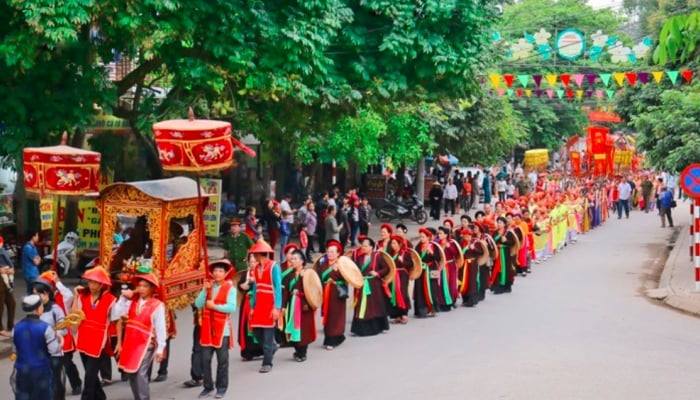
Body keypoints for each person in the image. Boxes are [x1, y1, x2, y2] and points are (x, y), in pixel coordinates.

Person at [113, 267, 167, 400]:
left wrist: (161, 348)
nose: (142, 288)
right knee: (131, 372)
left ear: (152, 289)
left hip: (146, 343)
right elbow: (117, 313)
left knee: (140, 373)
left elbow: (160, 328)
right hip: (131, 341)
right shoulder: (132, 302)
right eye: (140, 285)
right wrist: (123, 298)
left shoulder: (157, 305)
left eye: (145, 286)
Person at [71, 266, 117, 400]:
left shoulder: (110, 299)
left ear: (101, 284)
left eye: (95, 282)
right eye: (90, 281)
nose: (91, 285)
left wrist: (119, 341)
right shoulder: (82, 296)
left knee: (89, 375)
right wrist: (75, 296)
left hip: (98, 341)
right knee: (90, 373)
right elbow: (74, 314)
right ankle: (101, 397)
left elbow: (117, 320)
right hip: (83, 337)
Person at [195, 260, 237, 399]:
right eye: (215, 271)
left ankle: (221, 387)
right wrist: (204, 290)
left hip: (222, 329)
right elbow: (198, 304)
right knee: (205, 360)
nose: (217, 273)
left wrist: (215, 307)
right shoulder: (209, 286)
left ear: (225, 274)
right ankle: (208, 386)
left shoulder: (231, 288)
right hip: (207, 327)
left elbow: (231, 307)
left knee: (222, 361)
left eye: (220, 271)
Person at [12, 294, 63, 400]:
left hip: (21, 372)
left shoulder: (16, 328)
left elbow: (15, 349)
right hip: (41, 372)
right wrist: (60, 341)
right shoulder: (45, 328)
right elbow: (54, 350)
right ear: (38, 308)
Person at [39, 270, 82, 395]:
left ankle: (76, 383)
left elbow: (69, 296)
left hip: (63, 333)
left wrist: (57, 282)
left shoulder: (62, 295)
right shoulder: (40, 299)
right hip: (47, 335)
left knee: (66, 362)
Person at [246, 240, 282, 373]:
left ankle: (267, 362)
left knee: (267, 335)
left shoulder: (274, 267)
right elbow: (255, 288)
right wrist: (252, 306)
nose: (253, 257)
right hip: (259, 305)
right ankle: (272, 347)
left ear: (260, 255)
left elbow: (278, 288)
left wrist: (276, 307)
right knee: (257, 333)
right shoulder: (256, 268)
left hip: (269, 305)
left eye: (254, 255)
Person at [33, 277, 68, 400]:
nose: (36, 296)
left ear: (46, 293)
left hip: (54, 352)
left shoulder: (56, 310)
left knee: (55, 381)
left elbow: (64, 329)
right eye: (34, 294)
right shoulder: (35, 310)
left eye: (38, 293)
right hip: (39, 352)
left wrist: (54, 333)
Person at [281, 249, 318, 362]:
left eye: (295, 259)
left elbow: (313, 290)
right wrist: (283, 306)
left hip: (304, 305)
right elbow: (285, 291)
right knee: (293, 328)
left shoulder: (308, 273)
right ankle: (297, 350)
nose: (293, 261)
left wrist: (307, 303)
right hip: (292, 304)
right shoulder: (288, 274)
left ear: (302, 261)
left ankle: (302, 353)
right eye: (292, 259)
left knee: (304, 329)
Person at [350, 236, 390, 337]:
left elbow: (386, 268)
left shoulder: (377, 256)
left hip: (374, 285)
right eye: (362, 246)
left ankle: (377, 327)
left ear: (371, 247)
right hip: (362, 284)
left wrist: (377, 273)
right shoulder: (359, 258)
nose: (363, 248)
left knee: (374, 305)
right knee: (361, 306)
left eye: (366, 246)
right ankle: (360, 329)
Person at [316, 240, 348, 350]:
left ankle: (334, 339)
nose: (330, 254)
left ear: (338, 253)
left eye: (333, 252)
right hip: (326, 292)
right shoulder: (323, 264)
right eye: (328, 251)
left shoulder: (342, 264)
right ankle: (329, 337)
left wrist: (339, 272)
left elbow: (349, 278)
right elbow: (318, 277)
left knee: (336, 316)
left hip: (337, 293)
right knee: (327, 315)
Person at [413, 228, 440, 318]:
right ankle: (421, 310)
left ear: (428, 237)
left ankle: (433, 309)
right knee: (420, 289)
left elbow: (438, 258)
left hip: (432, 268)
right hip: (421, 269)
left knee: (433, 288)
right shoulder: (418, 246)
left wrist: (432, 253)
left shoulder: (434, 246)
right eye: (420, 237)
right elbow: (415, 258)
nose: (421, 238)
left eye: (423, 237)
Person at [386, 236, 412, 324]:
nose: (392, 245)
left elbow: (410, 264)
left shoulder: (405, 253)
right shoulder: (390, 253)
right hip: (393, 275)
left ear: (399, 244)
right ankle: (396, 315)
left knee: (402, 293)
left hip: (402, 275)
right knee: (393, 294)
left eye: (394, 243)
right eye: (391, 243)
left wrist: (402, 261)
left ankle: (404, 314)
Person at [489, 217, 517, 294]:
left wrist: (506, 241)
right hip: (497, 253)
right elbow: (492, 242)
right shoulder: (495, 232)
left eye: (500, 222)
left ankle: (504, 285)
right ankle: (496, 285)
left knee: (505, 269)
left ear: (504, 224)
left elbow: (513, 243)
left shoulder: (508, 233)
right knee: (496, 268)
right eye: (498, 222)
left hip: (505, 253)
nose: (499, 224)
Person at [182, 306, 204, 388]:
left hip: (206, 321)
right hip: (201, 321)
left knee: (198, 349)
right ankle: (199, 375)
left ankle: (198, 376)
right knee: (199, 349)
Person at [0, 236, 15, 338]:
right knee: (0, 306)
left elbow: (10, 264)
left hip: (7, 281)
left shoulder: (3, 251)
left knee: (12, 303)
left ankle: (11, 325)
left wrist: (11, 270)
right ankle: (0, 328)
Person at [21, 230, 41, 295]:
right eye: (37, 235)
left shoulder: (33, 247)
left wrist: (38, 258)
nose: (38, 237)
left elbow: (38, 259)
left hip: (34, 273)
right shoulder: (28, 247)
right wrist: (38, 258)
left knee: (32, 292)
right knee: (33, 292)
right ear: (33, 237)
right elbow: (37, 261)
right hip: (30, 274)